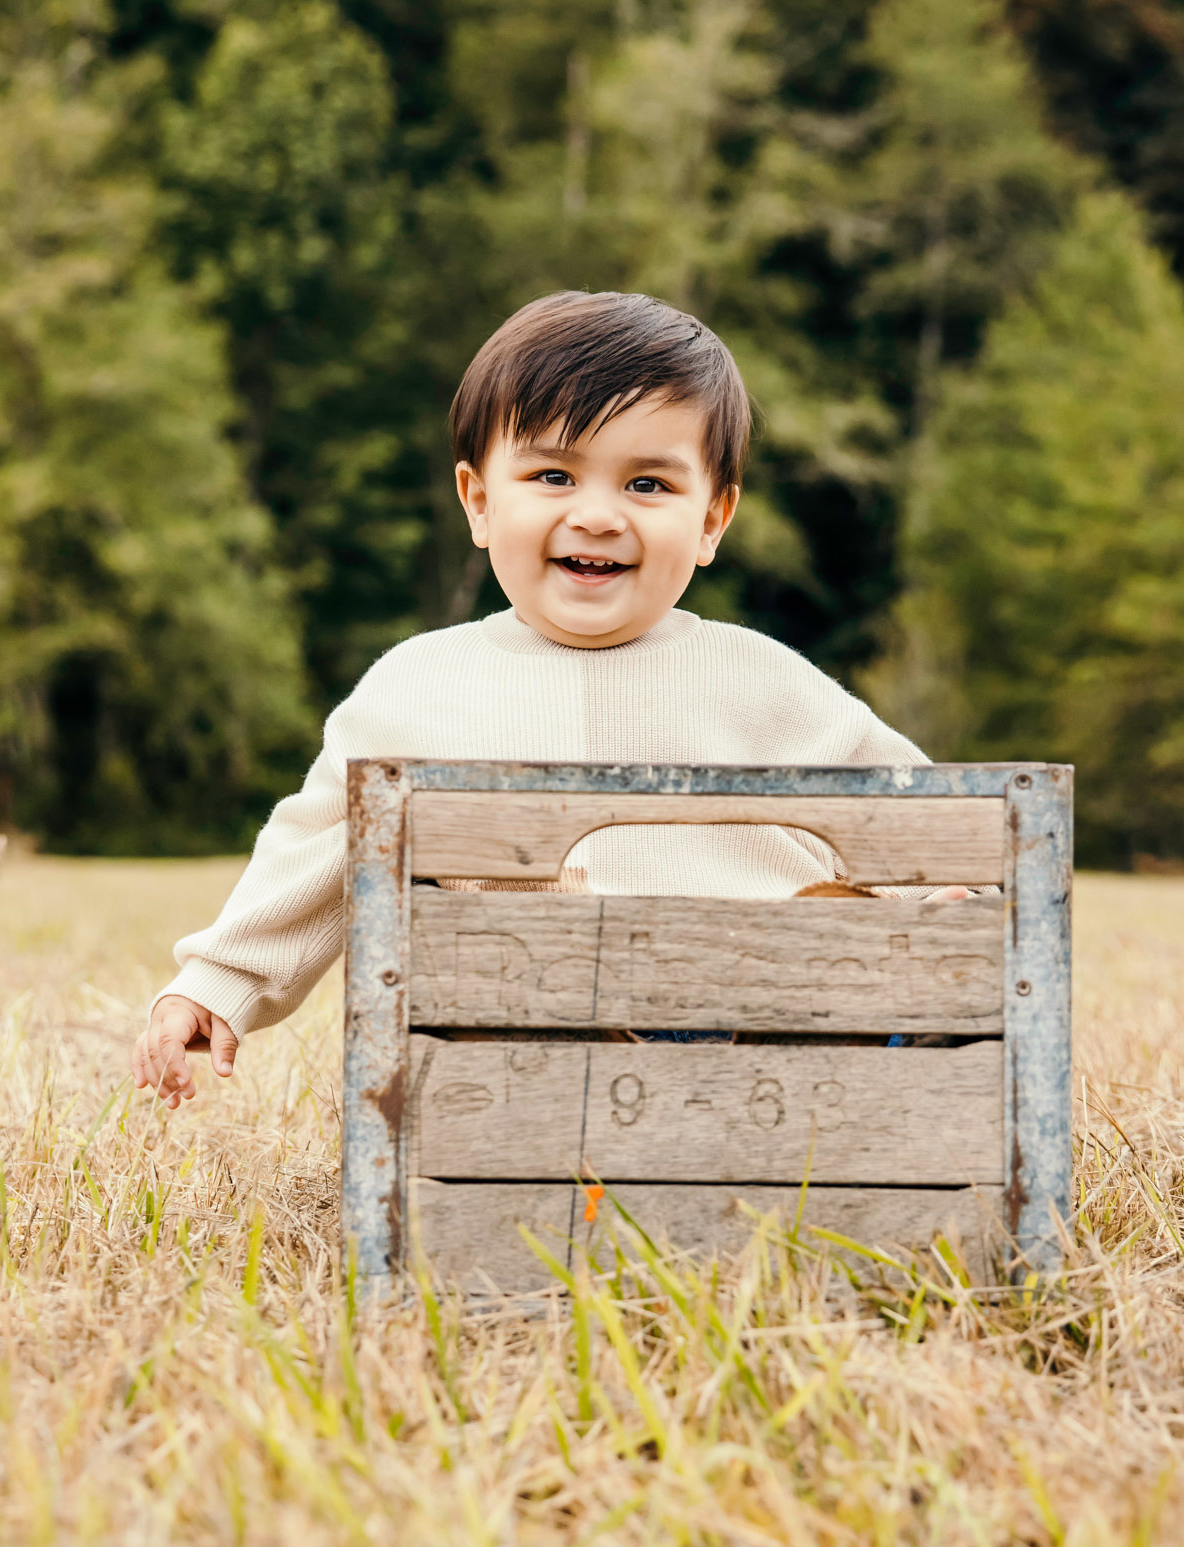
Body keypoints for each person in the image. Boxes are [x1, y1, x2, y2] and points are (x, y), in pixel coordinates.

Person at [134, 289, 949, 1108]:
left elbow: (919, 819)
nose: (596, 515)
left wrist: (948, 896)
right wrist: (218, 983)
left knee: (879, 998)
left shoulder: (764, 679)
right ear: (481, 502)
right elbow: (321, 847)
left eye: (649, 485)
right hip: (530, 1044)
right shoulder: (421, 685)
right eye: (552, 474)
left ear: (713, 519)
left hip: (764, 1028)